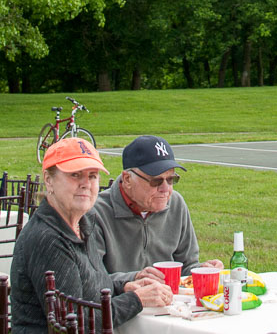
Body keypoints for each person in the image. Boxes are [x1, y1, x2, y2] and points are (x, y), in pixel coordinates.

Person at [10, 138, 173, 333]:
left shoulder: (81, 225)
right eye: (75, 175)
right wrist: (136, 300)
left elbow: (91, 287)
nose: (85, 184)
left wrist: (126, 286)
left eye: (93, 176)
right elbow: (79, 322)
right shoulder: (47, 237)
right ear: (48, 179)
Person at [93, 135, 223, 283]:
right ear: (128, 179)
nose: (165, 189)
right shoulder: (97, 213)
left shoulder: (176, 204)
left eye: (171, 179)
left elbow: (187, 265)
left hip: (172, 302)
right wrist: (133, 280)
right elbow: (92, 280)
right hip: (121, 303)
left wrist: (201, 270)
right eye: (156, 181)